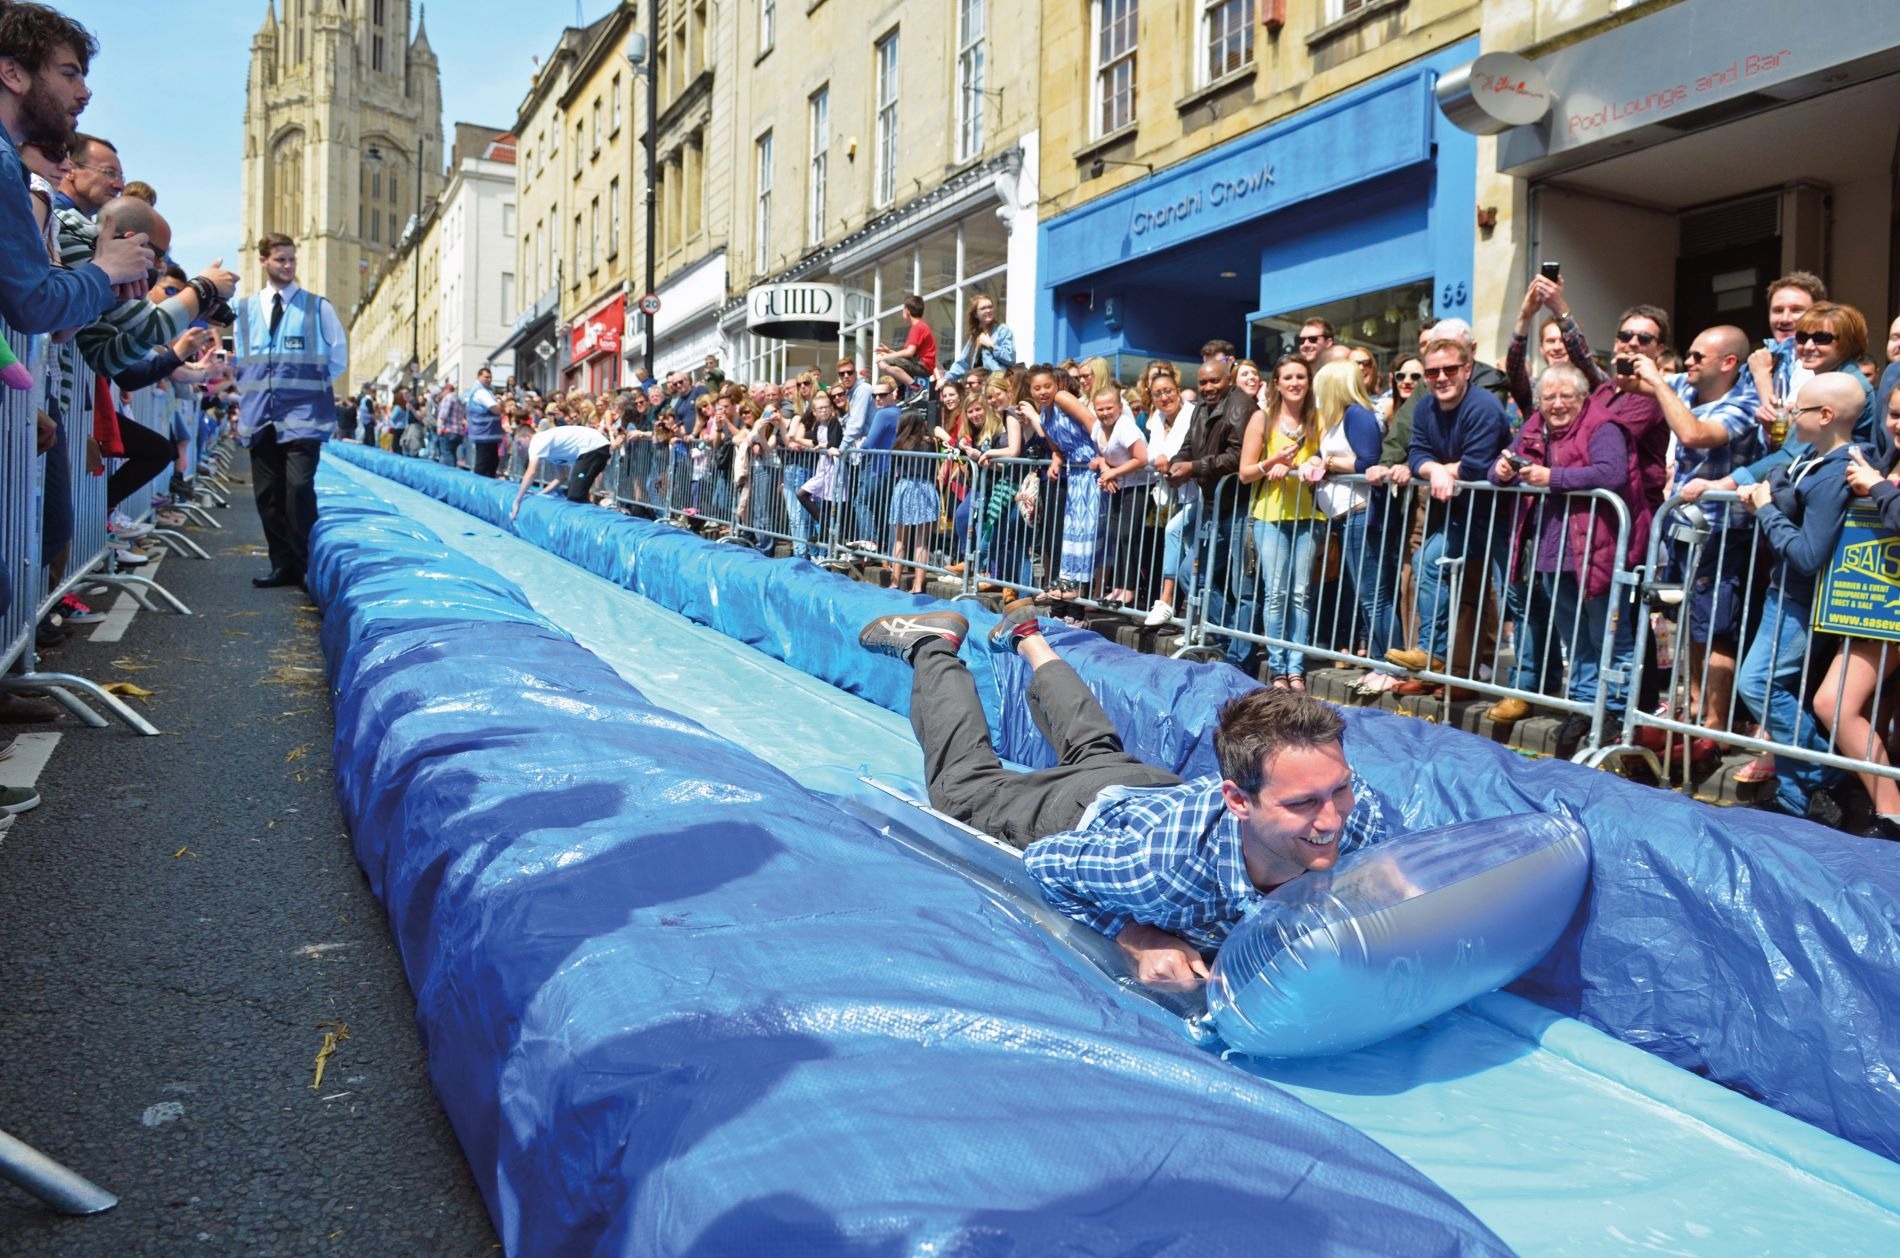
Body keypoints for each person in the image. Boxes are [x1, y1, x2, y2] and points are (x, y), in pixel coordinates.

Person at [855, 604, 1386, 989]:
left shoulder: (1353, 815)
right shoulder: (1156, 871)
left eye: (1338, 788)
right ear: (1240, 801)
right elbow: (1048, 866)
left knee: (1096, 748)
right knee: (964, 794)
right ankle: (932, 647)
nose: (1331, 818)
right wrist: (1134, 936)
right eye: (1301, 804)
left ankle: (1028, 636)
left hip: (1153, 793)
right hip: (1087, 812)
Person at [1735, 373, 1860, 821]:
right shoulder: (1810, 455)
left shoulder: (1833, 475)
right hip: (1783, 591)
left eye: (1799, 409)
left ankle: (1823, 771)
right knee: (1769, 686)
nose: (1790, 414)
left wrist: (1767, 509)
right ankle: (1794, 793)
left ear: (1825, 416)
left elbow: (1809, 554)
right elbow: (1777, 475)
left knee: (1758, 684)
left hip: (1801, 598)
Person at [1489, 363, 1632, 734]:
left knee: (1608, 633)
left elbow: (1612, 472)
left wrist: (1554, 478)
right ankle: (1584, 706)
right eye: (1548, 396)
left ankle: (1615, 710)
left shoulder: (1603, 426)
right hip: (1551, 546)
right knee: (1574, 634)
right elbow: (1499, 467)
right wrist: (1500, 472)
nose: (1556, 404)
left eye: (1566, 395)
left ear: (1583, 397)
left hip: (1596, 544)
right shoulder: (1534, 425)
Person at [1385, 338, 1512, 686]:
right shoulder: (1425, 407)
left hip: (1504, 519)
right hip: (1462, 516)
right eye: (1432, 371)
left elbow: (1478, 464)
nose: (1440, 377)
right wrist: (1434, 470)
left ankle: (1527, 687)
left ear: (1467, 370)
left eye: (1450, 369)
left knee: (1516, 595)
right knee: (1427, 562)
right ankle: (1431, 651)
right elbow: (1416, 454)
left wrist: (1439, 469)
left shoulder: (1484, 406)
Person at [233, 232, 346, 588]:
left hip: (304, 416)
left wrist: (305, 389)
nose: (287, 265)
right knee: (268, 495)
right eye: (280, 259)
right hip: (260, 415)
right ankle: (282, 565)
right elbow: (241, 360)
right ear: (264, 261)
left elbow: (337, 357)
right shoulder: (245, 310)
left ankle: (306, 563)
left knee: (298, 488)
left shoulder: (317, 307)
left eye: (292, 259)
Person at [1239, 355, 1321, 689]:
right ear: (1276, 383)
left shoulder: (1318, 419)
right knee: (1276, 593)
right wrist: (1270, 463)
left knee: (1300, 595)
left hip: (1308, 515)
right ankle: (1277, 668)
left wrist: (1319, 459)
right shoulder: (1262, 418)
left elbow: (1331, 456)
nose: (1295, 383)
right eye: (1288, 377)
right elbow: (1245, 473)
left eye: (1300, 376)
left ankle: (1296, 667)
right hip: (1270, 516)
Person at [510, 415, 612, 519]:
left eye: (519, 443)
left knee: (575, 496)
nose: (519, 447)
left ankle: (593, 520)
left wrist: (517, 501)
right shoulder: (549, 449)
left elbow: (531, 472)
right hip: (592, 450)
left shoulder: (537, 440)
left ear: (528, 436)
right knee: (575, 493)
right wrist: (540, 494)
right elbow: (560, 477)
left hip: (594, 447)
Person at [942, 294, 1018, 382]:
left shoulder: (1002, 330)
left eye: (990, 307)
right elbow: (963, 363)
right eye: (983, 308)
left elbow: (1010, 358)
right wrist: (946, 379)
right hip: (977, 385)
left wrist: (991, 345)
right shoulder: (975, 336)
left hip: (996, 383)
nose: (988, 310)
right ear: (975, 314)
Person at [876, 293, 937, 389]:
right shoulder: (921, 326)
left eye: (903, 309)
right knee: (893, 368)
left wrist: (887, 356)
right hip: (920, 365)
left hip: (923, 367)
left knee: (882, 362)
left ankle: (915, 387)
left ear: (907, 311)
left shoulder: (918, 327)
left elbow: (909, 352)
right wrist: (889, 351)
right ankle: (902, 391)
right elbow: (908, 357)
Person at [464, 365, 503, 475]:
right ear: (479, 377)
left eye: (490, 377)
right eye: (486, 377)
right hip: (485, 434)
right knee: (484, 463)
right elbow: (495, 409)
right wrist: (501, 405)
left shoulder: (484, 391)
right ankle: (479, 487)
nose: (489, 380)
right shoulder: (481, 392)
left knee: (492, 461)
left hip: (487, 434)